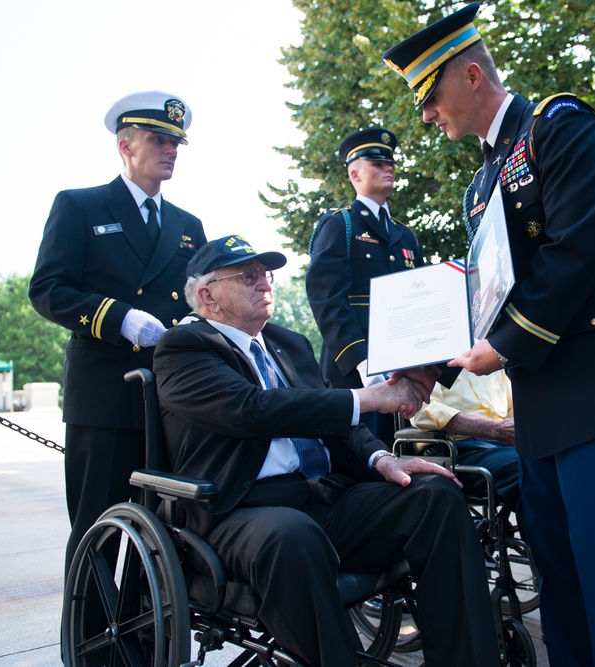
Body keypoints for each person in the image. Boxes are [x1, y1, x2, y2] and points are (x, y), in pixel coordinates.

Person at [383, 6, 595, 665]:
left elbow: (577, 251)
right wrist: (427, 368)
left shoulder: (559, 127)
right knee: (561, 579)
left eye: (430, 99)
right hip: (540, 407)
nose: (428, 118)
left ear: (469, 75)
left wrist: (503, 346)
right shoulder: (481, 183)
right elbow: (480, 297)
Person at [153, 235, 500, 667]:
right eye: (248, 276)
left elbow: (333, 420)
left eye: (267, 275)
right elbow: (251, 410)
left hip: (322, 499)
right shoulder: (185, 348)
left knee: (434, 494)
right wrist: (371, 398)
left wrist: (383, 460)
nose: (265, 284)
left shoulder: (288, 343)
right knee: (293, 536)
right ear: (207, 295)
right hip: (242, 512)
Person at [29, 91, 207, 572]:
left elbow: (203, 299)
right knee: (99, 532)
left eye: (176, 143)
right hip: (105, 398)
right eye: (158, 140)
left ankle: (148, 642)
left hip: (170, 398)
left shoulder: (188, 225)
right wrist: (118, 317)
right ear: (125, 146)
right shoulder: (80, 206)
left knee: (162, 542)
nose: (171, 150)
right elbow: (47, 289)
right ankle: (90, 646)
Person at [306, 128, 424, 443]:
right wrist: (362, 360)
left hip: (400, 366)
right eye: (377, 163)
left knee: (402, 451)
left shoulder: (407, 236)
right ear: (355, 173)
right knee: (359, 457)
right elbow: (326, 298)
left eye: (390, 163)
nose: (389, 168)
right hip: (353, 367)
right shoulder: (340, 224)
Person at [410, 369, 520, 508]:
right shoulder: (431, 353)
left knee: (544, 461)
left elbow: (513, 412)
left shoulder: (488, 354)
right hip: (451, 451)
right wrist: (494, 428)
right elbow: (423, 412)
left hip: (498, 447)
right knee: (528, 467)